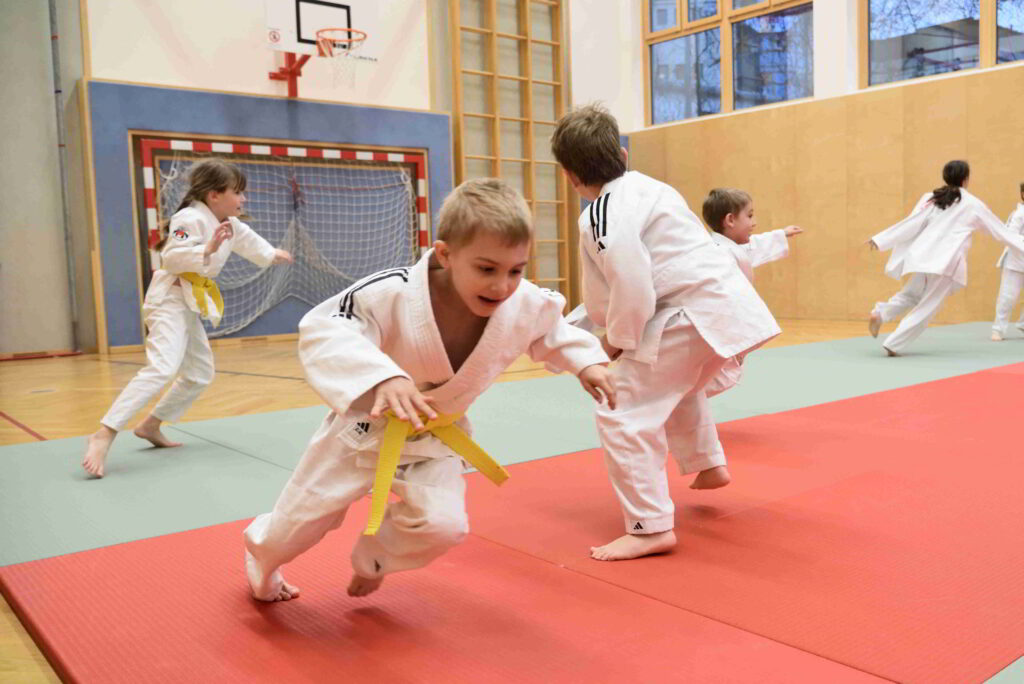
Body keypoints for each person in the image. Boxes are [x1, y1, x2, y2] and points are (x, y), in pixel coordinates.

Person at [243, 178, 615, 602]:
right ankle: (262, 559)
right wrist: (383, 376)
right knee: (296, 525)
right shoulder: (391, 291)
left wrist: (586, 362)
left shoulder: (525, 302)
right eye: (486, 269)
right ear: (445, 254)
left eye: (516, 270)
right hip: (364, 430)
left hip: (435, 436)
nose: (502, 286)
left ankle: (375, 559)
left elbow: (553, 331)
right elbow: (326, 328)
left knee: (443, 525)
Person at [551, 104, 780, 562]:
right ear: (622, 154)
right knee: (678, 385)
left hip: (689, 314)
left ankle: (648, 527)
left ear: (570, 176)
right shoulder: (653, 188)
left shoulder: (601, 212)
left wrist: (615, 343)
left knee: (621, 409)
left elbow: (631, 281)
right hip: (724, 310)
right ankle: (707, 463)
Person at [81, 159, 293, 477]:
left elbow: (251, 243)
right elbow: (171, 257)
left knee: (199, 374)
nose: (243, 198)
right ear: (214, 195)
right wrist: (206, 249)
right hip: (168, 301)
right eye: (237, 192)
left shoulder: (230, 224)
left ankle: (150, 425)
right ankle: (104, 433)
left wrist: (272, 254)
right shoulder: (188, 219)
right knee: (163, 367)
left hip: (190, 303)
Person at [868, 160, 1024, 355]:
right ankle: (894, 343)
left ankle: (880, 313)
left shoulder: (932, 198)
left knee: (911, 294)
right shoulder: (972, 204)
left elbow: (911, 223)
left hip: (922, 257)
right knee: (928, 306)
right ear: (966, 179)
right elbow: (1000, 231)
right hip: (946, 263)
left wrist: (881, 239)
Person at [700, 187, 803, 397]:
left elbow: (753, 246)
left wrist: (781, 234)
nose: (754, 222)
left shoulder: (727, 246)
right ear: (730, 220)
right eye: (749, 215)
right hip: (712, 324)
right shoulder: (717, 253)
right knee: (702, 379)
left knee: (704, 379)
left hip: (720, 326)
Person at [991, 182, 1024, 341]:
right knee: (1008, 297)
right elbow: (1009, 236)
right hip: (1015, 262)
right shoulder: (1019, 214)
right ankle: (998, 329)